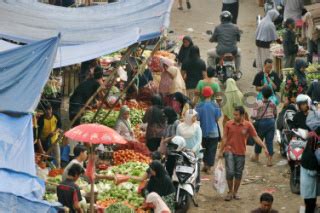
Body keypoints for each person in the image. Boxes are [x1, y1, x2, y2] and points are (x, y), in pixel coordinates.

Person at [218, 106, 269, 201]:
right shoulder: (229, 124)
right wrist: (221, 151)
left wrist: (264, 147)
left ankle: (235, 192)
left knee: (238, 173)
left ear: (242, 115)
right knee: (230, 172)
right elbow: (224, 138)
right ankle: (229, 192)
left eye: (236, 115)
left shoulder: (248, 125)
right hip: (229, 150)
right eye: (234, 114)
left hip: (241, 152)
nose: (234, 116)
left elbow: (256, 137)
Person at [196, 87, 221, 173]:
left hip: (203, 131)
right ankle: (209, 167)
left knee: (204, 148)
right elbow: (217, 119)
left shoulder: (199, 105)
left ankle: (205, 165)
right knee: (212, 149)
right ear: (211, 94)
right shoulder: (216, 105)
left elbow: (197, 118)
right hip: (214, 132)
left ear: (203, 94)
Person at [251, 87, 277, 166]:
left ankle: (256, 157)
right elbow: (275, 114)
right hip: (271, 122)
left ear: (262, 94)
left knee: (259, 140)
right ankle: (269, 160)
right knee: (269, 141)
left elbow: (253, 115)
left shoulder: (258, 103)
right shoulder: (273, 103)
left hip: (261, 123)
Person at [300, 127, 320, 213]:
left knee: (311, 199)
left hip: (310, 170)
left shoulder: (313, 137)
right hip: (310, 172)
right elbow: (312, 171)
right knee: (310, 201)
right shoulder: (314, 141)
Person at [38, 102, 62, 168]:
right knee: (45, 161)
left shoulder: (56, 116)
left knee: (57, 160)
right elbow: (38, 138)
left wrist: (55, 132)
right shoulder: (41, 120)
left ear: (51, 109)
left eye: (49, 109)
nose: (48, 111)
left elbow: (59, 126)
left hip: (55, 141)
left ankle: (57, 171)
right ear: (43, 111)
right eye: (46, 110)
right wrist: (42, 150)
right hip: (45, 142)